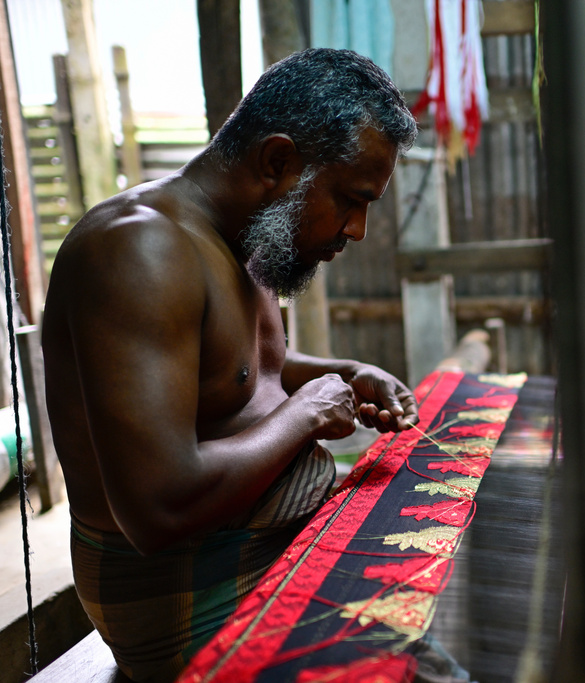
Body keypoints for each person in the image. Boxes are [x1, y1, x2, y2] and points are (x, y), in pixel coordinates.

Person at [41, 48, 420, 682]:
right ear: (277, 161)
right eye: (351, 199)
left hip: (261, 540)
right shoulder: (139, 252)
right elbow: (157, 508)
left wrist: (345, 371)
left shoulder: (242, 234)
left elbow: (243, 369)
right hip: (186, 590)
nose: (356, 229)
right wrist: (303, 416)